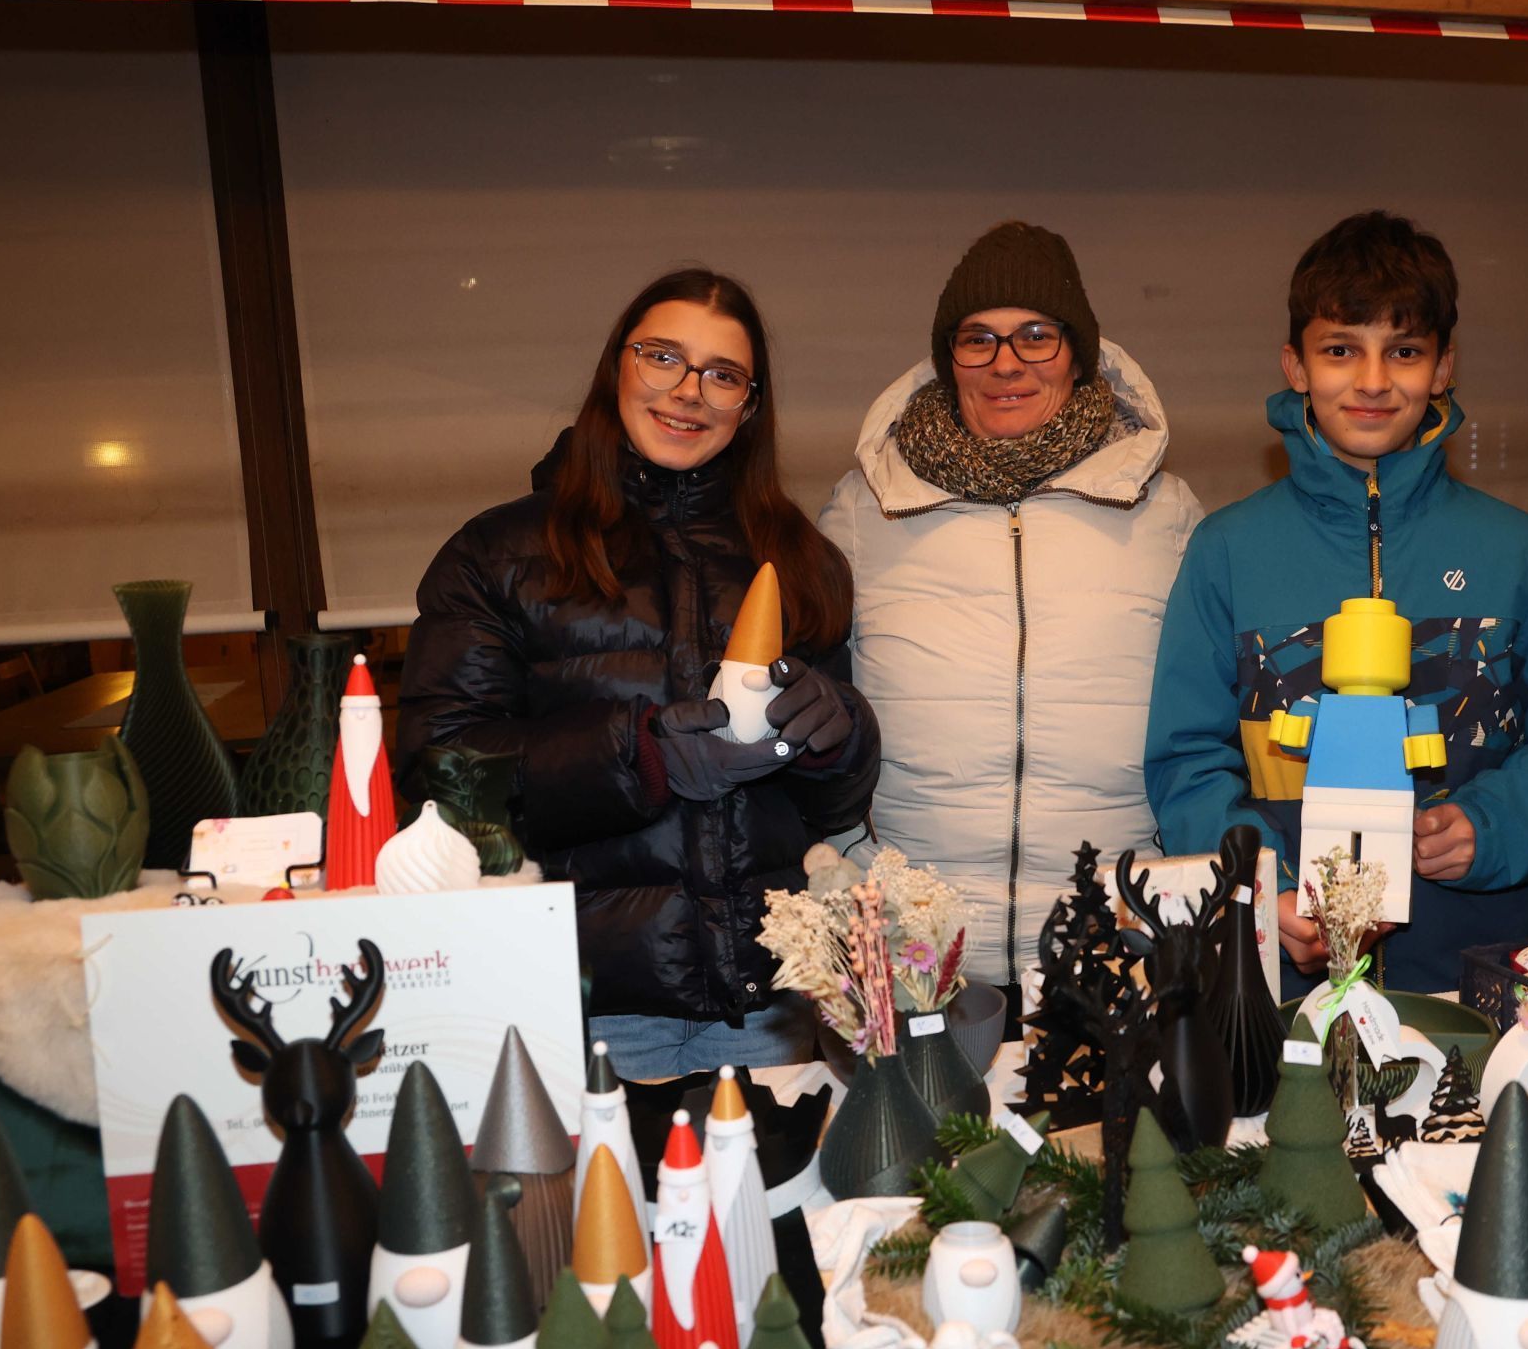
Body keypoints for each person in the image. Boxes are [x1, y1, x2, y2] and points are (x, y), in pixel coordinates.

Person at [398, 269, 879, 1074]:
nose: (689, 392)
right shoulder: (499, 553)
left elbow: (827, 807)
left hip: (780, 1009)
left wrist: (841, 740)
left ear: (749, 407)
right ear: (616, 367)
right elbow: (437, 774)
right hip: (586, 1010)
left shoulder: (801, 558)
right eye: (663, 358)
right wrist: (642, 757)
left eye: (723, 375)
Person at [1144, 211, 1528, 994]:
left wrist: (1494, 827)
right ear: (1295, 366)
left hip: (1478, 966)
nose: (1371, 381)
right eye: (1339, 351)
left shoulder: (1521, 552)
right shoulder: (1228, 550)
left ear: (1444, 366)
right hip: (1284, 981)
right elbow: (1188, 760)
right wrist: (1264, 885)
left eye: (1404, 351)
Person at [820, 222, 1202, 1005]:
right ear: (945, 356)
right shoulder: (863, 512)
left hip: (1113, 952)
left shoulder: (1167, 513)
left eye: (1036, 335)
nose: (1006, 364)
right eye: (978, 339)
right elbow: (820, 725)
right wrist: (847, 870)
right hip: (916, 955)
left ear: (1079, 352)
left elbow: (1206, 726)